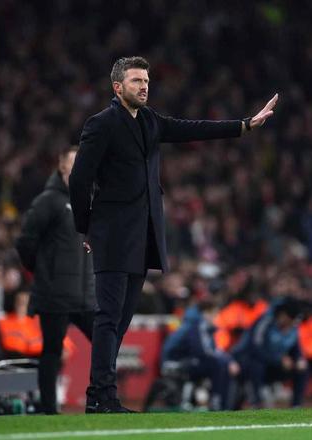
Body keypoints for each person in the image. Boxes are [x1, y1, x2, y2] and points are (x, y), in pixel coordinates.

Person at [69, 56, 278, 413]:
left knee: (120, 320)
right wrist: (86, 227)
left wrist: (244, 125)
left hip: (142, 235)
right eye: (136, 81)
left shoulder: (150, 120)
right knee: (108, 317)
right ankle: (100, 396)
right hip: (112, 233)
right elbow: (79, 179)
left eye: (146, 81)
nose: (144, 86)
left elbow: (191, 128)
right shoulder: (101, 124)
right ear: (117, 87)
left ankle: (102, 394)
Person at [15, 146, 96, 415]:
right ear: (62, 166)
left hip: (85, 294)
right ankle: (49, 409)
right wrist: (41, 270)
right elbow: (25, 242)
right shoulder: (48, 201)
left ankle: (101, 399)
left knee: (105, 343)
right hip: (55, 293)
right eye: (74, 161)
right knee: (51, 351)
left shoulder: (89, 200)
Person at [161, 299, 240, 410]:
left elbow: (212, 350)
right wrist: (228, 361)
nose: (216, 318)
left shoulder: (202, 326)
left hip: (188, 359)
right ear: (206, 313)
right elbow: (203, 351)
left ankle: (222, 404)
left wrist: (228, 360)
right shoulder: (197, 325)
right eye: (214, 314)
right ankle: (217, 403)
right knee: (217, 365)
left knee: (220, 364)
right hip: (175, 362)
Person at [232, 298, 307, 408]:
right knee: (256, 365)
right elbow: (256, 348)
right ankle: (256, 404)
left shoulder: (293, 327)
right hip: (247, 361)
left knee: (302, 368)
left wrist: (299, 359)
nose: (291, 326)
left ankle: (296, 405)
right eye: (290, 321)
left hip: (273, 364)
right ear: (283, 315)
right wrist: (279, 360)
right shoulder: (265, 322)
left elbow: (295, 347)